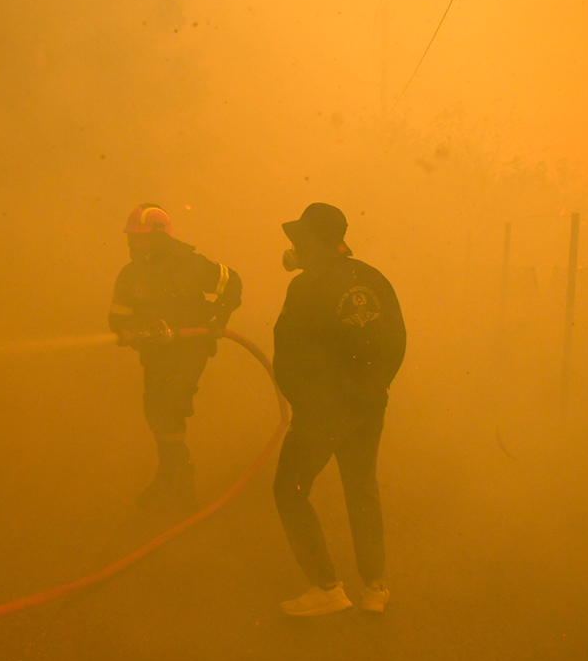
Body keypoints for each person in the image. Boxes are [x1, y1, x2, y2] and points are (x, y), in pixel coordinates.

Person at [272, 203, 406, 616]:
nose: (293, 247)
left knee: (289, 490)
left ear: (312, 243)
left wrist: (305, 406)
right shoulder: (372, 278)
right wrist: (377, 386)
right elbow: (397, 340)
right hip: (369, 404)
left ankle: (326, 587)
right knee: (361, 487)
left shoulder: (306, 287)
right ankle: (375, 588)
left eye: (298, 240)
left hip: (324, 411)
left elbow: (288, 356)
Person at [109, 204, 242, 514]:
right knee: (156, 411)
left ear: (160, 238)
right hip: (156, 352)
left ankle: (181, 485)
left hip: (189, 349)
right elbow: (118, 318)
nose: (135, 246)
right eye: (132, 239)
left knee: (169, 409)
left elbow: (232, 283)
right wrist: (132, 333)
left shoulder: (192, 265)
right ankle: (169, 476)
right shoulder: (131, 275)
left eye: (141, 239)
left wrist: (218, 318)